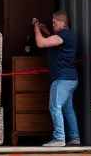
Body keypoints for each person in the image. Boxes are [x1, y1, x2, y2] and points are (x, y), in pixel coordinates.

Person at [32, 11, 80, 146]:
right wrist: (45, 30)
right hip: (70, 79)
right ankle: (75, 137)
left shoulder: (64, 35)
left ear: (62, 22)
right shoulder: (67, 36)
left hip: (62, 79)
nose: (52, 24)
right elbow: (54, 39)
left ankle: (59, 138)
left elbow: (41, 43)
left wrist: (36, 27)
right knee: (67, 108)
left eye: (54, 22)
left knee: (54, 106)